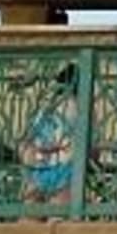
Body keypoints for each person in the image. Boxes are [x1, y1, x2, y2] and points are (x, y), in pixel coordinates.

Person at [20, 64, 77, 207]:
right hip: (63, 168)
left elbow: (30, 137)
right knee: (58, 216)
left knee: (29, 215)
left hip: (37, 167)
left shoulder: (45, 107)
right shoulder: (79, 107)